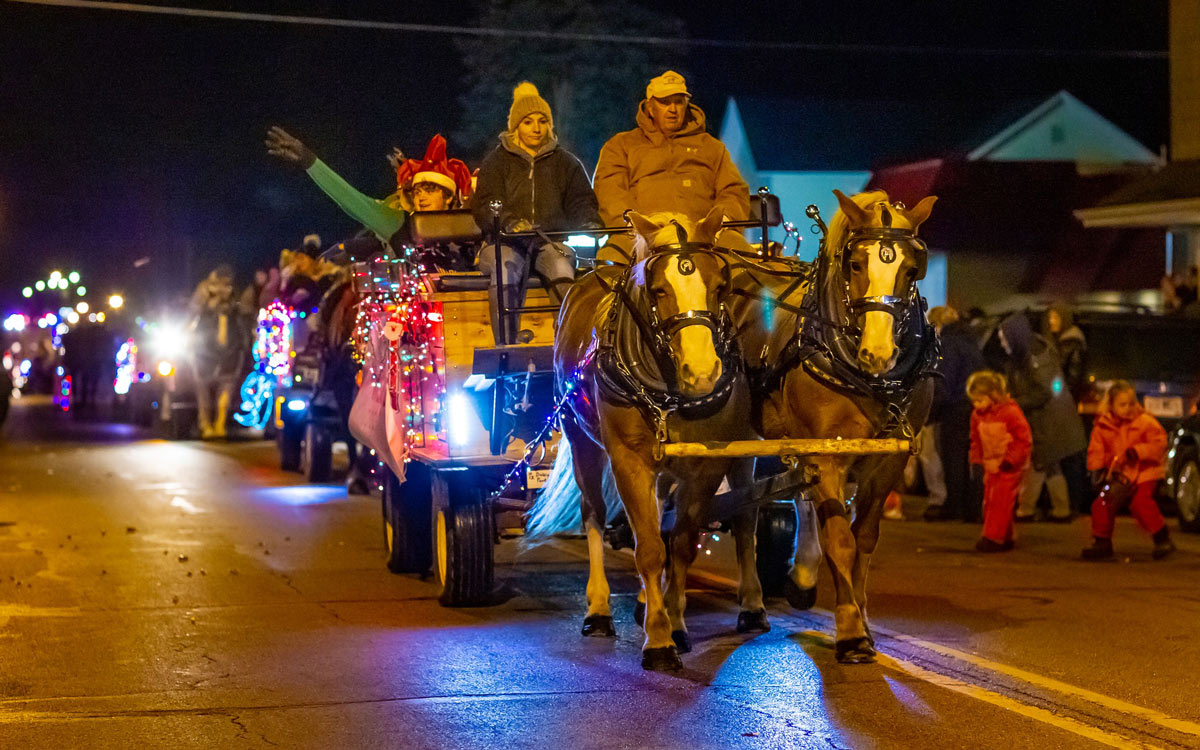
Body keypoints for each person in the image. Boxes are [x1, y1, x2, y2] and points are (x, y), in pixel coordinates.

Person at [472, 82, 600, 343]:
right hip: (504, 242)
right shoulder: (497, 162)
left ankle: (569, 342)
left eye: (542, 121)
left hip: (549, 240)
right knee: (505, 267)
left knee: (561, 265)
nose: (536, 128)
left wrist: (587, 221)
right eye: (528, 122)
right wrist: (508, 222)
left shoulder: (566, 162)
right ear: (516, 126)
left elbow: (581, 200)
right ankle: (506, 344)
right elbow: (484, 204)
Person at [593, 70, 750, 263]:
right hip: (642, 236)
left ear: (687, 104)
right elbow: (609, 191)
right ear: (650, 107)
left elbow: (733, 190)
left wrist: (721, 222)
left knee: (744, 259)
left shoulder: (711, 148)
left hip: (703, 236)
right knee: (610, 262)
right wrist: (632, 223)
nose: (673, 109)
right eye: (665, 102)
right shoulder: (621, 145)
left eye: (679, 101)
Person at [265, 128, 471, 245]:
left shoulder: (472, 229)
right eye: (417, 191)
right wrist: (310, 161)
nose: (421, 197)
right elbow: (352, 199)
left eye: (431, 189)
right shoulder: (401, 226)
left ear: (449, 196)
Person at [996, 312, 1086, 522]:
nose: (1002, 342)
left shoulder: (1034, 357)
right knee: (1048, 463)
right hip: (1046, 421)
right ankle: (1059, 510)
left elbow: (1043, 391)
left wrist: (1013, 403)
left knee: (1040, 462)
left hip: (1048, 422)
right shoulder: (1028, 354)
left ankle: (1027, 509)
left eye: (1003, 337)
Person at [1081, 381, 1174, 560]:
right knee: (1103, 503)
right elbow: (1096, 450)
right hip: (1121, 474)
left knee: (1141, 503)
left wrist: (1137, 451)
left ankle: (1162, 537)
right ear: (1111, 405)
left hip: (1145, 471)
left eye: (1131, 403)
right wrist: (1098, 470)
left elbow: (1159, 443)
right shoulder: (1102, 426)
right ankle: (1102, 541)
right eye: (1122, 404)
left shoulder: (1145, 421)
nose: (1128, 408)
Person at [924, 305, 986, 522]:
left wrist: (930, 413)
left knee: (954, 459)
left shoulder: (948, 344)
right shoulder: (971, 342)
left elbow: (944, 382)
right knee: (972, 459)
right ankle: (973, 507)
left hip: (955, 409)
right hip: (974, 406)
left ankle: (955, 507)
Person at [967, 371, 1032, 552]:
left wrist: (1011, 459)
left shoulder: (1010, 412)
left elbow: (1023, 439)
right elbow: (975, 440)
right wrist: (976, 461)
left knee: (1000, 501)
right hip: (991, 465)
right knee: (991, 500)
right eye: (974, 400)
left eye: (980, 400)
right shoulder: (977, 415)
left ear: (993, 396)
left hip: (1008, 465)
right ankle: (1006, 536)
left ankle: (993, 538)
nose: (976, 404)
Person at [189, 265, 245, 439]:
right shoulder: (204, 294)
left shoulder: (234, 302)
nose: (225, 287)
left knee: (226, 388)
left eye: (228, 283)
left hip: (229, 351)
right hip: (205, 351)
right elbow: (194, 312)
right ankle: (205, 423)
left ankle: (220, 423)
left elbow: (242, 313)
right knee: (203, 389)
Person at [1042, 304, 1087, 402]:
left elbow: (1073, 377)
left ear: (1064, 319)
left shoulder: (1072, 343)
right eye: (1050, 317)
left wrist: (1058, 396)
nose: (1051, 321)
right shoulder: (1054, 341)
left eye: (1056, 318)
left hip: (1064, 401)